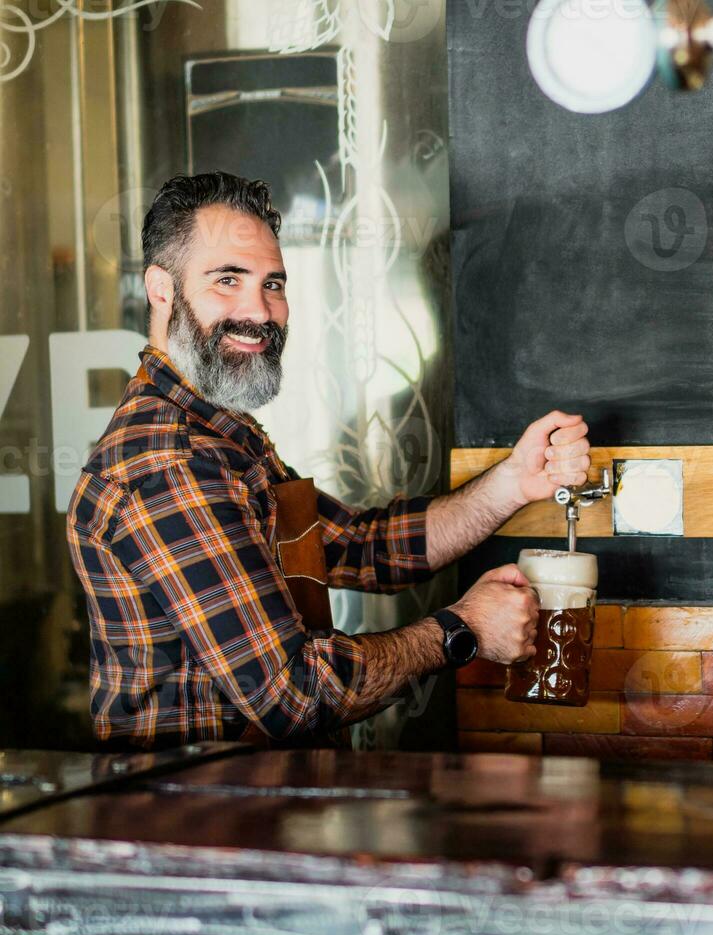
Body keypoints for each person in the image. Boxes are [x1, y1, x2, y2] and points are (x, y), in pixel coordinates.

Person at [65, 172, 590, 748]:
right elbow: (294, 695)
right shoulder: (169, 461)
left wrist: (512, 483)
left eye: (272, 284)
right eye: (227, 281)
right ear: (162, 290)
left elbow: (364, 548)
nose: (260, 312)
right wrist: (461, 630)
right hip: (196, 821)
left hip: (260, 811)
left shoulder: (223, 435)